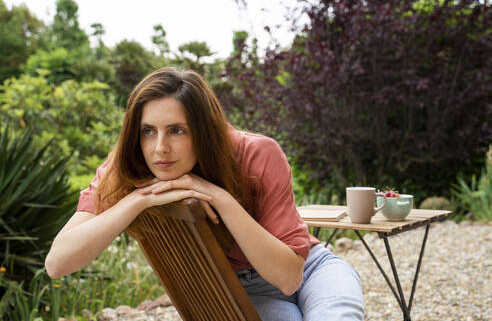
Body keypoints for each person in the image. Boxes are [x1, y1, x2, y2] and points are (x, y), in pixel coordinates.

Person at [45, 67, 364, 320]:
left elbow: (290, 277)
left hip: (309, 269)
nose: (160, 148)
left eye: (177, 130)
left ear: (204, 131)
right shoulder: (129, 165)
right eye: (148, 131)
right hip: (236, 289)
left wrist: (221, 199)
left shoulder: (256, 154)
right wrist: (138, 199)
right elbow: (57, 263)